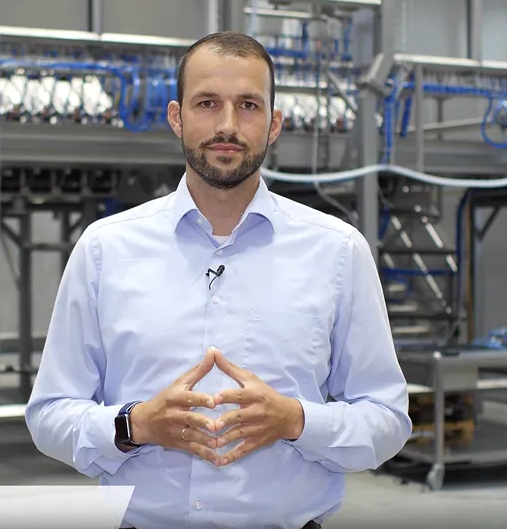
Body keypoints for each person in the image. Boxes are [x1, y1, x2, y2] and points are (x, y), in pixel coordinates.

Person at [25, 31, 412, 529]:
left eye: (248, 105)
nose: (227, 125)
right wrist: (135, 424)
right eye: (207, 103)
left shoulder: (338, 251)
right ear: (176, 117)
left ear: (274, 124)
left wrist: (296, 420)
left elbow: (387, 419)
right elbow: (49, 415)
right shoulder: (105, 249)